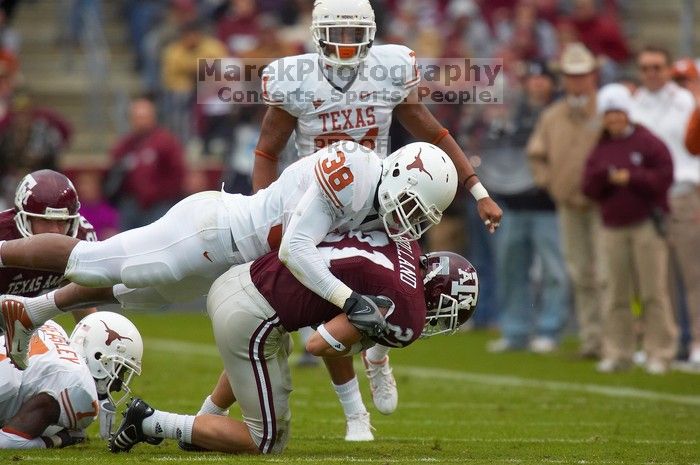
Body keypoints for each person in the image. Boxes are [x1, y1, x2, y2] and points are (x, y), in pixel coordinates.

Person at [251, 0, 502, 439]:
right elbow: (266, 151)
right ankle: (355, 414)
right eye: (337, 33)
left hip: (385, 199)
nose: (345, 45)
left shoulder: (389, 69)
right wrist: (262, 216)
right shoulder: (295, 78)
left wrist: (476, 188)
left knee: (398, 293)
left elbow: (432, 131)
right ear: (317, 32)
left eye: (354, 34)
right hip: (321, 205)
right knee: (326, 308)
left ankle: (379, 356)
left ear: (369, 33)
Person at [0, 140, 458, 372]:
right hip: (214, 231)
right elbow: (296, 249)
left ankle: (31, 313)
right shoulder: (354, 171)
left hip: (231, 261)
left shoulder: (381, 209)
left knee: (135, 294)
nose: (411, 222)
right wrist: (347, 300)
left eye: (423, 217)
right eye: (413, 206)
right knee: (90, 261)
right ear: (398, 173)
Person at [108, 230, 478, 455]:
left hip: (243, 277)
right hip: (252, 316)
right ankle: (152, 422)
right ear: (439, 297)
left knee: (263, 356)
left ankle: (208, 422)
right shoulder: (408, 310)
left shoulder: (405, 245)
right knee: (265, 440)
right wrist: (364, 336)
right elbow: (319, 345)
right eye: (448, 314)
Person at [583, 83, 677, 374]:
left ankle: (659, 352)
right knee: (615, 293)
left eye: (618, 113)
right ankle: (618, 351)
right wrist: (605, 178)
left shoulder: (648, 142)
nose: (613, 119)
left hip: (645, 224)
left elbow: (663, 178)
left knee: (653, 292)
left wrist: (631, 177)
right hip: (612, 226)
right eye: (608, 114)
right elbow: (588, 187)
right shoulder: (601, 147)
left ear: (628, 114)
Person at [483, 60, 570, 353]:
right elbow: (493, 151)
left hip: (548, 205)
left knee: (554, 271)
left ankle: (549, 329)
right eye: (533, 79)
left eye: (543, 79)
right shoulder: (511, 115)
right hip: (513, 204)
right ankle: (515, 330)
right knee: (511, 269)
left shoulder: (561, 115)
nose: (537, 84)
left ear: (552, 83)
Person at [527, 42, 605, 359]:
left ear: (592, 75)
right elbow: (536, 155)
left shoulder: (606, 111)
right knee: (579, 272)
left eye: (581, 74)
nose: (576, 80)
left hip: (604, 206)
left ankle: (615, 340)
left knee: (607, 274)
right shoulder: (553, 116)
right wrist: (552, 184)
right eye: (571, 75)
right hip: (568, 205)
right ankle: (593, 340)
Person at [630, 46, 700, 365]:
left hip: (684, 193)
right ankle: (663, 343)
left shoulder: (686, 101)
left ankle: (698, 343)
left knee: (693, 273)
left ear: (667, 69)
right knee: (656, 278)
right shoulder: (634, 105)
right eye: (646, 68)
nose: (652, 73)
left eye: (658, 67)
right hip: (648, 197)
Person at [0, 312, 143, 448]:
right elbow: (9, 441)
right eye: (120, 370)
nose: (119, 385)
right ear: (98, 357)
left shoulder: (52, 327)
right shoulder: (78, 387)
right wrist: (60, 439)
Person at [0, 169, 97, 324]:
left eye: (61, 221)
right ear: (25, 219)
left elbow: (80, 295)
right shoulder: (3, 233)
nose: (54, 231)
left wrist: (90, 330)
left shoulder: (82, 235)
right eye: (45, 221)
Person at [105, 96, 186, 231]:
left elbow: (178, 174)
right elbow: (114, 166)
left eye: (144, 117)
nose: (140, 121)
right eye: (136, 117)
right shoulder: (126, 144)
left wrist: (158, 194)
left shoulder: (166, 142)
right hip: (131, 203)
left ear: (153, 117)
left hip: (160, 204)